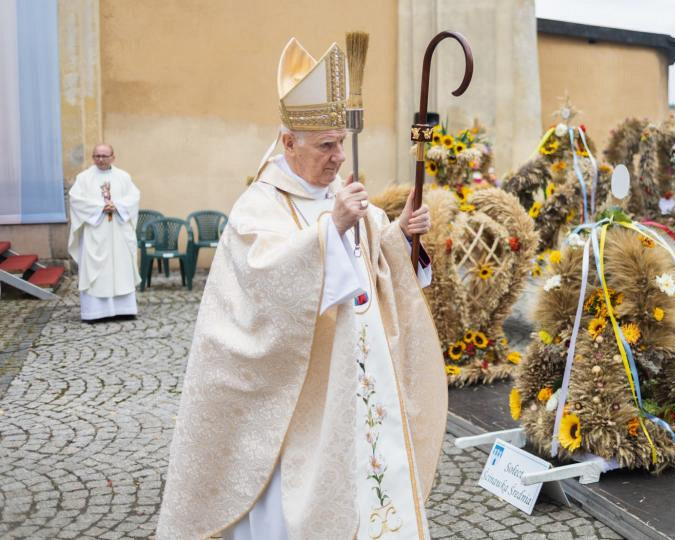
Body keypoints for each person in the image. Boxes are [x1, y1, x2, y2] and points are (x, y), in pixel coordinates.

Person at [157, 38, 446, 539]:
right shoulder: (259, 205)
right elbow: (265, 282)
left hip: (357, 378)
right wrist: (330, 230)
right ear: (288, 143)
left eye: (340, 143)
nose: (338, 157)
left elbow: (373, 256)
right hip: (294, 394)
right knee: (296, 498)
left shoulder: (340, 194)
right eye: (325, 146)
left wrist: (400, 233)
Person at [67, 144, 140, 321]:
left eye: (104, 156)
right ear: (93, 157)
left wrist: (118, 206)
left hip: (118, 232)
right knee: (97, 272)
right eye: (97, 156)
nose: (100, 159)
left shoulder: (123, 177)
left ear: (113, 157)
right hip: (95, 232)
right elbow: (75, 200)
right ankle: (95, 312)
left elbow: (134, 197)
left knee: (121, 269)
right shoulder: (83, 178)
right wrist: (100, 207)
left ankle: (124, 310)